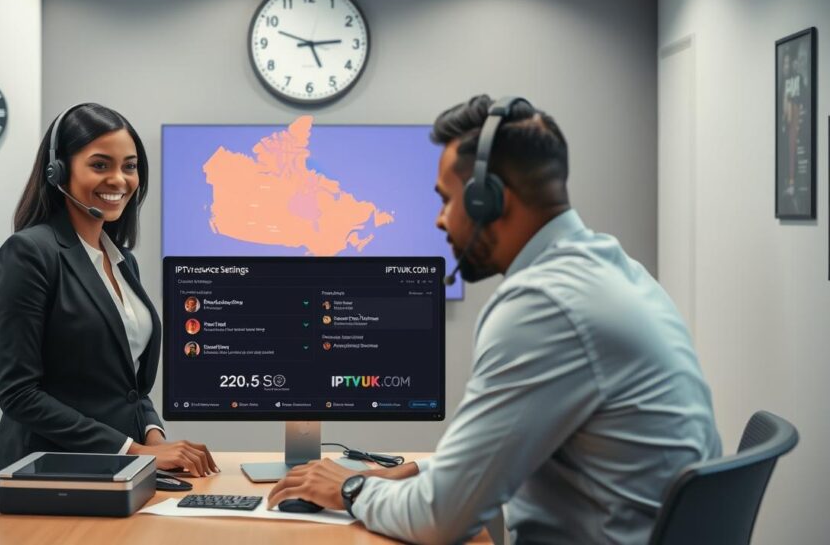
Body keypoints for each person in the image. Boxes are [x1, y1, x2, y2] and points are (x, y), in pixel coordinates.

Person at [267, 95, 721, 543]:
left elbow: (441, 520)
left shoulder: (544, 305)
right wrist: (419, 470)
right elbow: (507, 447)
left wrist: (350, 488)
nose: (441, 221)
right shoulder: (611, 270)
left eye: (447, 200)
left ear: (488, 200)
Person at [0, 103, 219, 497]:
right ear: (59, 171)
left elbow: (130, 387)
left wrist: (154, 437)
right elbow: (19, 394)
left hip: (118, 475)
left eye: (129, 166)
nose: (119, 179)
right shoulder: (29, 253)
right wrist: (134, 450)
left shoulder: (122, 260)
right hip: (49, 475)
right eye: (100, 165)